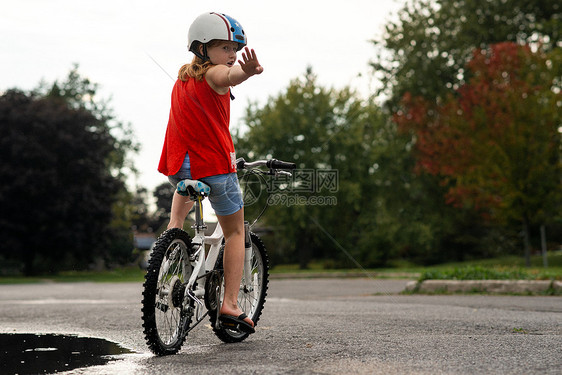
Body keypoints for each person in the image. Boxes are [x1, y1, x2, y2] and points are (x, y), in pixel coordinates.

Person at [157, 12, 263, 333]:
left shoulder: (182, 80)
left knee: (182, 203)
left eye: (235, 49)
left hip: (180, 167)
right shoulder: (215, 74)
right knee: (234, 231)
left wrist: (237, 69)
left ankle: (173, 239)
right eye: (224, 48)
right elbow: (226, 77)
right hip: (215, 166)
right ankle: (230, 303)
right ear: (203, 49)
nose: (231, 55)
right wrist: (245, 71)